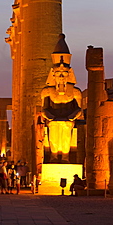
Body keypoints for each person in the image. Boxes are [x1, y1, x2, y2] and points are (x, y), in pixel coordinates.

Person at [40, 34, 82, 163]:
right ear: (53, 74)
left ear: (69, 75)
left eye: (64, 74)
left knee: (66, 134)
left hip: (68, 120)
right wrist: (49, 116)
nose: (62, 77)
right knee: (53, 133)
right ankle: (53, 156)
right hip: (53, 120)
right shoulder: (47, 91)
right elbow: (43, 109)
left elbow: (79, 109)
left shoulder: (75, 92)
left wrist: (72, 116)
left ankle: (65, 157)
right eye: (59, 74)